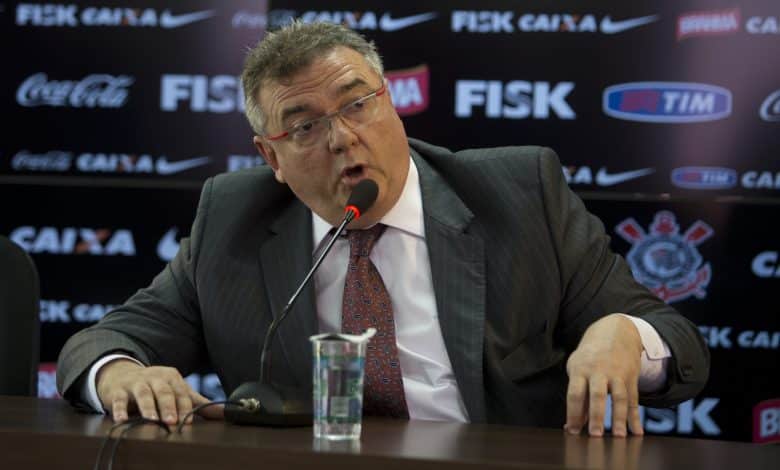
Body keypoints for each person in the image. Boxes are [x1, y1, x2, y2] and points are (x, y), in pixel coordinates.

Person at [56, 21, 709, 437]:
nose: (342, 138)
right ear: (270, 157)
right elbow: (106, 341)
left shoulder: (519, 194)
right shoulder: (233, 219)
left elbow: (682, 346)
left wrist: (625, 336)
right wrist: (118, 374)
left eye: (357, 104)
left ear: (391, 103)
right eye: (305, 126)